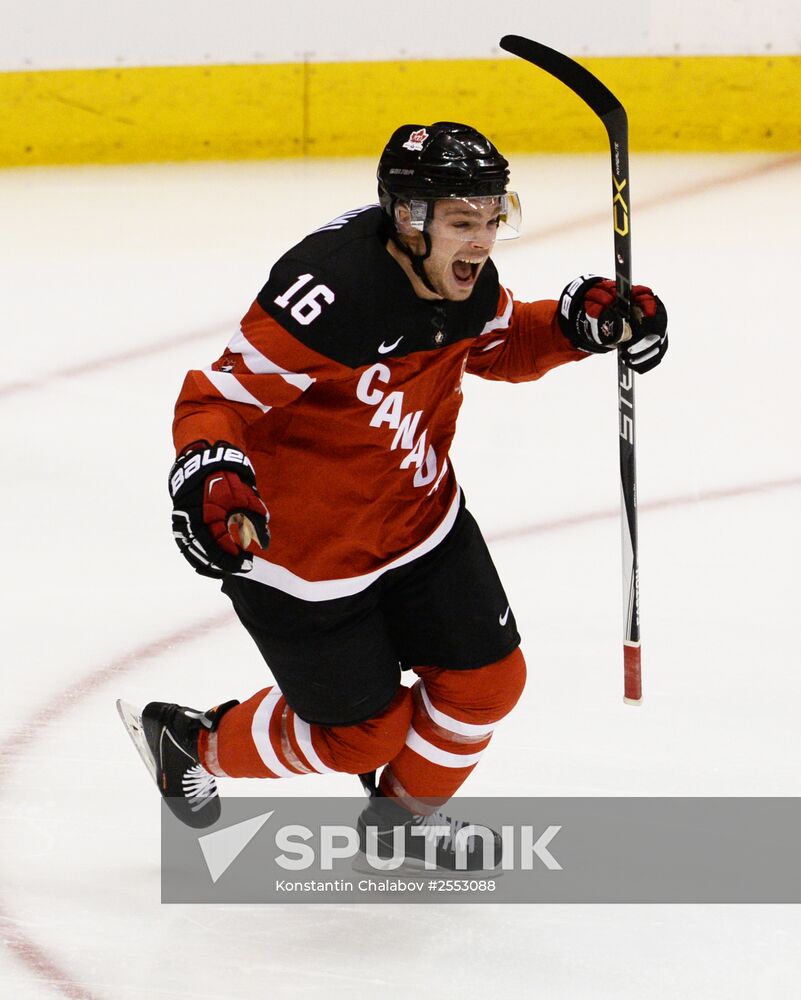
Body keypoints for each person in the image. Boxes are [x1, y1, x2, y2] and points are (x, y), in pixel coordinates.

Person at [119, 122, 667, 870]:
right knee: (363, 736)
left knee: (487, 683)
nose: (480, 241)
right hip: (304, 559)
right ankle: (195, 743)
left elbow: (499, 345)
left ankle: (402, 821)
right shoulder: (329, 295)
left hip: (420, 524)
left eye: (491, 217)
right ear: (408, 220)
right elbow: (219, 398)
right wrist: (212, 476)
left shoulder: (458, 282)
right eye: (461, 222)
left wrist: (580, 325)